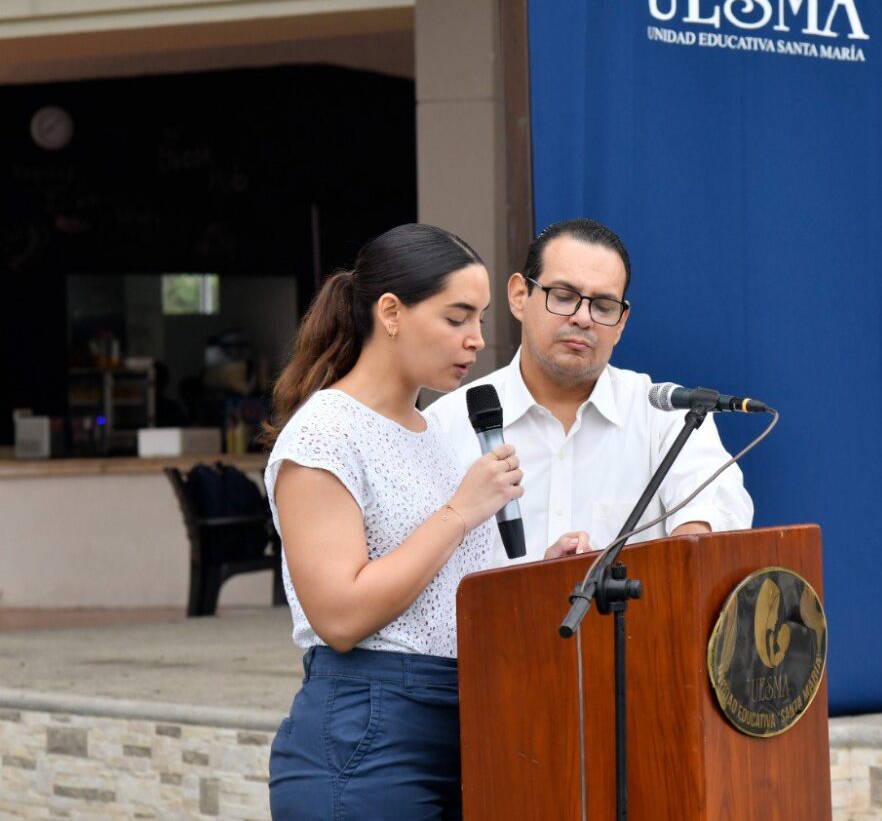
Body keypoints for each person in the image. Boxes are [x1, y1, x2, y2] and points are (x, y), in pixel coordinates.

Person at [262, 224, 576, 819]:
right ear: (390, 313)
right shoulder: (325, 433)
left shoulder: (434, 435)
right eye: (457, 318)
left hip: (464, 719)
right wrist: (460, 512)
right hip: (368, 731)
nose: (477, 339)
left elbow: (440, 599)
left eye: (481, 319)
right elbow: (340, 617)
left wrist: (540, 577)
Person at [425, 218, 753, 566]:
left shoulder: (667, 416)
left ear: (621, 322)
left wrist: (692, 547)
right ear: (520, 296)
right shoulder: (445, 426)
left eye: (603, 306)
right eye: (563, 297)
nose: (583, 318)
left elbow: (717, 512)